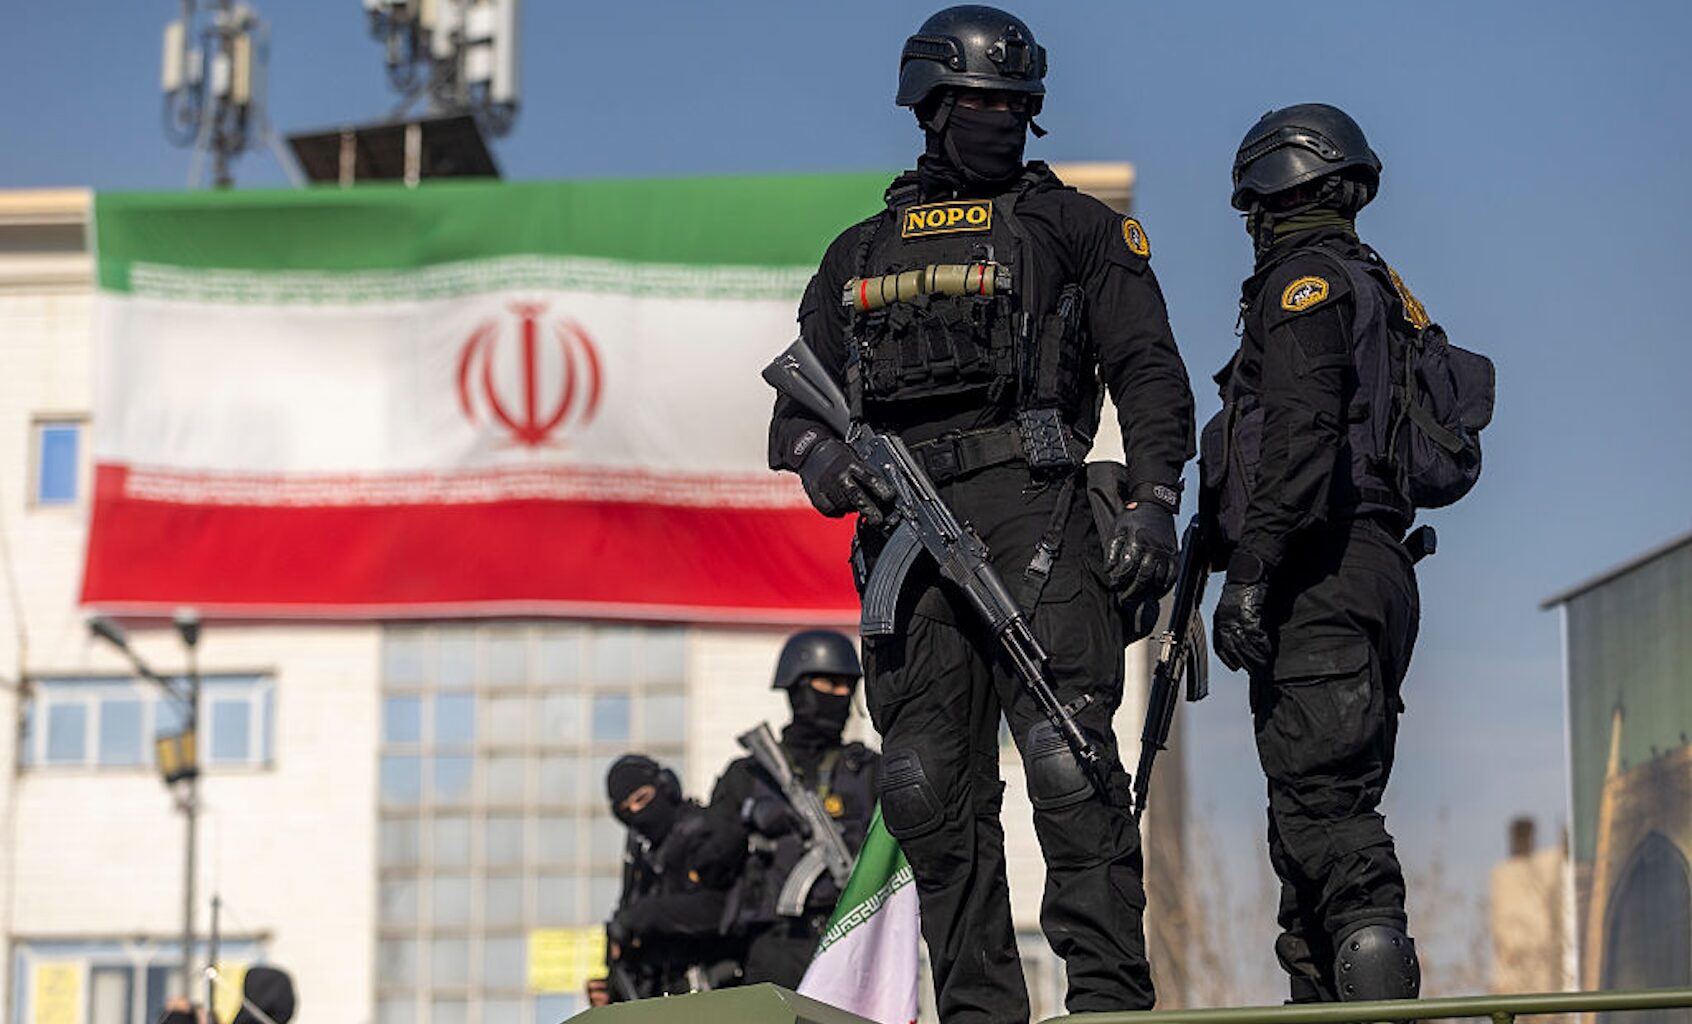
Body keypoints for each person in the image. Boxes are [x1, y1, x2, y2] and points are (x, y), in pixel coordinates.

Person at [767, 6, 1195, 1019]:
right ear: (929, 105)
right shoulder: (857, 253)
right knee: (921, 785)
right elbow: (794, 410)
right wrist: (826, 458)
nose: (1001, 118)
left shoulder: (1077, 228)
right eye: (980, 101)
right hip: (903, 539)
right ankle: (977, 1011)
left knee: (1070, 762)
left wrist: (1156, 500)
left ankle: (1107, 1002)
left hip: (1038, 508)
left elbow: (1148, 372)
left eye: (1017, 104)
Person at [1205, 102, 1427, 1004]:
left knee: (1328, 817)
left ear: (1278, 189)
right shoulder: (1377, 284)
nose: (1252, 228)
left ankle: (1377, 1006)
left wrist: (1250, 572)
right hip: (1374, 569)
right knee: (1305, 828)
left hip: (1321, 573)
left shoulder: (1305, 282)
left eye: (1253, 207)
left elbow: (1300, 435)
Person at [700, 630, 881, 988]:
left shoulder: (868, 771)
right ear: (798, 689)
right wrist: (751, 818)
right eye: (830, 684)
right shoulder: (748, 776)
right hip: (775, 948)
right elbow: (710, 865)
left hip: (851, 942)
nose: (842, 695)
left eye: (848, 686)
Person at [586, 755, 742, 1005]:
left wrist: (645, 915)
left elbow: (721, 909)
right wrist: (614, 993)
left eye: (642, 798)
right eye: (626, 811)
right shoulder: (644, 866)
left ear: (667, 787)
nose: (637, 812)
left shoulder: (705, 834)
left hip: (721, 994)